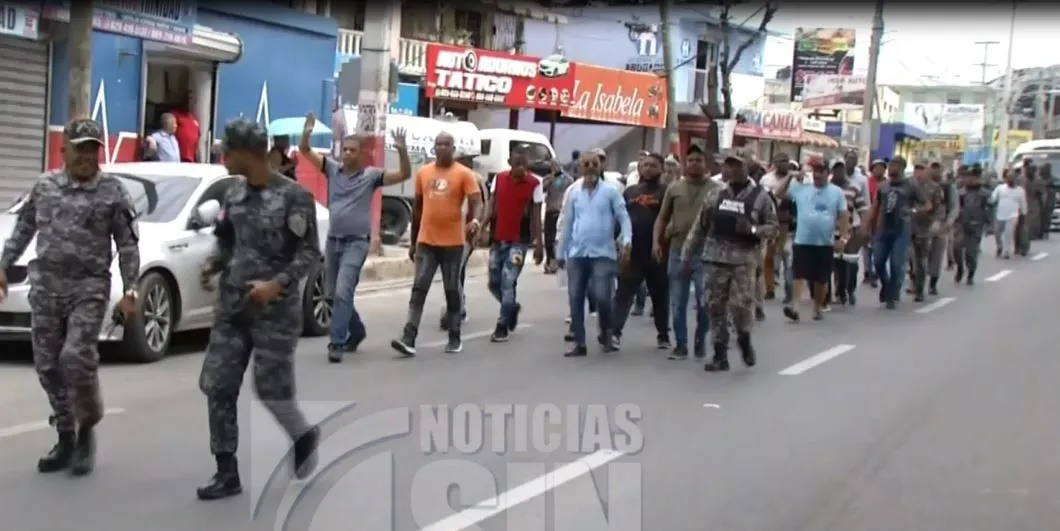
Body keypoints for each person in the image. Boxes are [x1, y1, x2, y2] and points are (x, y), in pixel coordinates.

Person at [0, 118, 139, 476]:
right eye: (81, 148)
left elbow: (127, 244)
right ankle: (65, 434)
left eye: (94, 149)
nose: (88, 156)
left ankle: (86, 428)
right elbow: (24, 228)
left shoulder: (112, 191)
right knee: (47, 366)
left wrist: (131, 288)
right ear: (65, 149)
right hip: (46, 286)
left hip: (88, 288)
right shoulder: (45, 186)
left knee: (75, 356)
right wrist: (3, 264)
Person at [195, 118, 321, 500]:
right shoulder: (233, 194)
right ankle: (226, 470)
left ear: (248, 152)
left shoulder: (294, 197)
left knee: (271, 390)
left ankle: (302, 435)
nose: (223, 156)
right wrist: (213, 264)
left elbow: (310, 252)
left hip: (276, 312)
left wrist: (276, 285)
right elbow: (227, 241)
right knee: (217, 385)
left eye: (227, 150)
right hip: (233, 306)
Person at [299, 114, 411, 362]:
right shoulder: (332, 169)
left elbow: (404, 174)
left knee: (342, 291)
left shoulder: (371, 176)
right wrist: (306, 132)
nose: (347, 154)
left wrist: (402, 150)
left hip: (356, 242)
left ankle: (336, 343)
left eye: (352, 151)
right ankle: (357, 330)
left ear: (361, 155)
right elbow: (305, 151)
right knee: (332, 294)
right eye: (345, 150)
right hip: (333, 241)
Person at [681, 152, 777, 371]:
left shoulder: (761, 197)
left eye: (737, 166)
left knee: (741, 307)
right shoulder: (716, 195)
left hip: (743, 260)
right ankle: (719, 354)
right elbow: (700, 226)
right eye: (729, 166)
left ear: (747, 168)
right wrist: (687, 254)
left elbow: (773, 228)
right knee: (715, 307)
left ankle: (744, 338)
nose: (732, 170)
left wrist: (753, 229)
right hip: (714, 258)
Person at [391, 133, 482, 356]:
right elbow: (418, 210)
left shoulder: (464, 174)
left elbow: (476, 201)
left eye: (446, 145)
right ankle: (409, 337)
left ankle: (454, 336)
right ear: (434, 148)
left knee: (452, 291)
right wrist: (413, 243)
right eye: (438, 145)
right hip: (427, 242)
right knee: (419, 288)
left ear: (453, 148)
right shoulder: (423, 173)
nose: (442, 148)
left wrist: (475, 220)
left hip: (453, 243)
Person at [557, 151, 632, 357]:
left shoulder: (611, 192)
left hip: (603, 253)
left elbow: (624, 218)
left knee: (602, 297)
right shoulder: (574, 193)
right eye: (586, 164)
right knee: (575, 298)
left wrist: (626, 241)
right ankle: (580, 343)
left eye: (594, 163)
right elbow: (568, 223)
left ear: (600, 166)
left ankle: (606, 330)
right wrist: (560, 252)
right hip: (577, 251)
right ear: (580, 167)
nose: (590, 167)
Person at [653, 145, 717, 359]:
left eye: (698, 160)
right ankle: (681, 345)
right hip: (677, 252)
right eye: (690, 160)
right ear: (684, 164)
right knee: (677, 302)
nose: (694, 164)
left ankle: (700, 338)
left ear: (705, 163)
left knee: (704, 301)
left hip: (705, 254)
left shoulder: (716, 189)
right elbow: (662, 219)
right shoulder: (674, 188)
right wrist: (656, 243)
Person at [478, 144, 545, 342]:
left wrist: (539, 244)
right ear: (509, 162)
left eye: (524, 163)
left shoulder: (535, 184)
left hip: (519, 242)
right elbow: (491, 206)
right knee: (493, 282)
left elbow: (535, 215)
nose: (521, 168)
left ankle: (502, 325)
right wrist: (482, 228)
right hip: (498, 239)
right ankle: (511, 307)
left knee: (509, 281)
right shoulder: (499, 179)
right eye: (517, 163)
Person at [777, 157, 849, 321]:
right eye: (815, 171)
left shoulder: (836, 192)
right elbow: (778, 193)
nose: (817, 175)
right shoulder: (802, 189)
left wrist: (843, 238)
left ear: (827, 173)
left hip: (824, 242)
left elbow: (844, 216)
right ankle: (795, 308)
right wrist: (790, 177)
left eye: (821, 171)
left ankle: (817, 307)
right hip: (803, 240)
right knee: (798, 274)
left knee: (821, 278)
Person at [613, 153, 670, 349]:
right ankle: (614, 333)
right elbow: (619, 219)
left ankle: (663, 335)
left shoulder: (666, 192)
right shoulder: (629, 192)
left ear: (661, 169)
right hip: (633, 251)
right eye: (644, 165)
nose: (648, 169)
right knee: (624, 293)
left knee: (660, 295)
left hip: (657, 251)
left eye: (653, 165)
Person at [865, 156, 926, 309]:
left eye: (896, 165)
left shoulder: (911, 186)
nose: (892, 168)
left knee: (896, 264)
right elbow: (874, 207)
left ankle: (892, 294)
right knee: (877, 262)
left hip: (901, 230)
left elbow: (927, 204)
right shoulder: (883, 186)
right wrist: (866, 225)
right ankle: (886, 285)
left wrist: (913, 211)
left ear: (902, 168)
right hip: (883, 229)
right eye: (891, 165)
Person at [829, 160, 868, 306]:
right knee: (830, 263)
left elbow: (863, 209)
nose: (839, 172)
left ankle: (847, 290)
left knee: (846, 263)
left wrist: (863, 229)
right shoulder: (826, 188)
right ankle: (829, 293)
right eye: (836, 169)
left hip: (847, 231)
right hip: (827, 231)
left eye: (841, 169)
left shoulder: (853, 189)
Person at [953, 166, 991, 285]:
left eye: (973, 177)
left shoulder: (984, 194)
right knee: (956, 248)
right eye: (968, 176)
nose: (970, 179)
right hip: (961, 224)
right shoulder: (960, 192)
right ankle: (960, 268)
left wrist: (989, 224)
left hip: (976, 225)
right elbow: (955, 207)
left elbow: (989, 209)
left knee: (971, 253)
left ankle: (971, 273)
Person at [543, 160, 574, 273]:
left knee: (556, 236)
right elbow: (542, 188)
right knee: (548, 238)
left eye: (555, 166)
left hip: (560, 210)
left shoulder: (567, 179)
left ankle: (557, 260)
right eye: (551, 167)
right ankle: (549, 259)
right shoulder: (548, 178)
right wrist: (550, 180)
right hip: (549, 210)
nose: (553, 168)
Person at [990, 169, 1026, 260]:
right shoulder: (1000, 188)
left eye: (1012, 178)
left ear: (1016, 179)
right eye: (1009, 178)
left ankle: (1006, 251)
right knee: (997, 232)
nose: (1010, 180)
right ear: (1006, 179)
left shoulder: (1020, 190)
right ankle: (1000, 247)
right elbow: (993, 198)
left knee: (1008, 233)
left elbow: (1023, 203)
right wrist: (991, 201)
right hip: (1000, 214)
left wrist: (1024, 213)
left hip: (1013, 216)